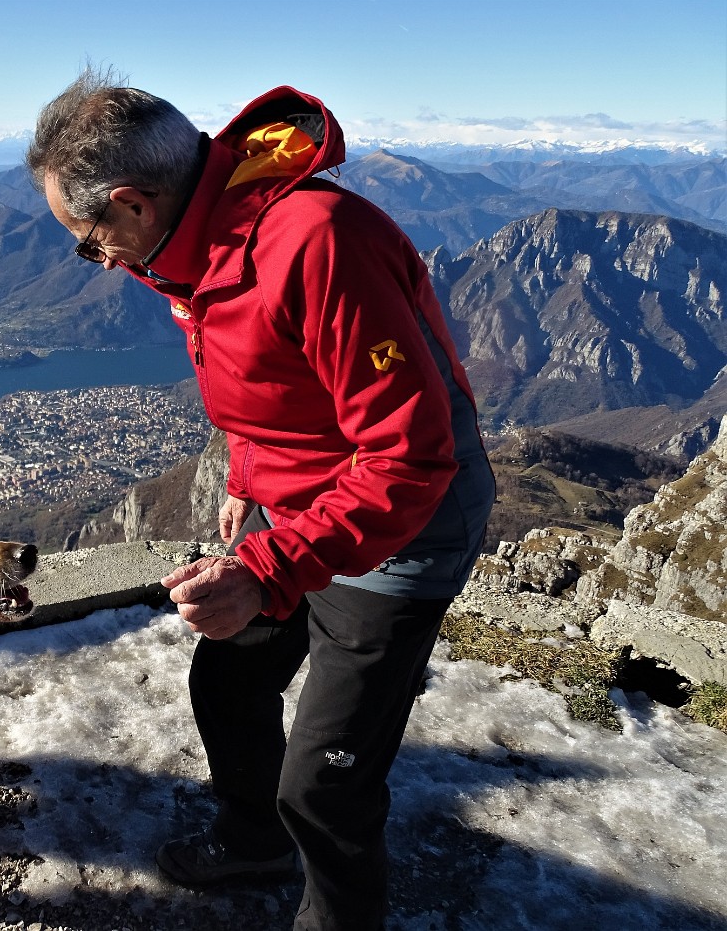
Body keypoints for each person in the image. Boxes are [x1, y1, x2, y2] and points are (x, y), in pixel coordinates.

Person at [27, 68, 495, 931]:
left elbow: (408, 455)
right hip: (301, 511)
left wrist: (272, 564)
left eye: (88, 240)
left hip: (405, 526)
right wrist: (249, 478)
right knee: (231, 686)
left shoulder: (316, 241)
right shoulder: (197, 248)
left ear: (133, 204)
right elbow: (273, 383)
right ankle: (255, 842)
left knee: (326, 782)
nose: (96, 262)